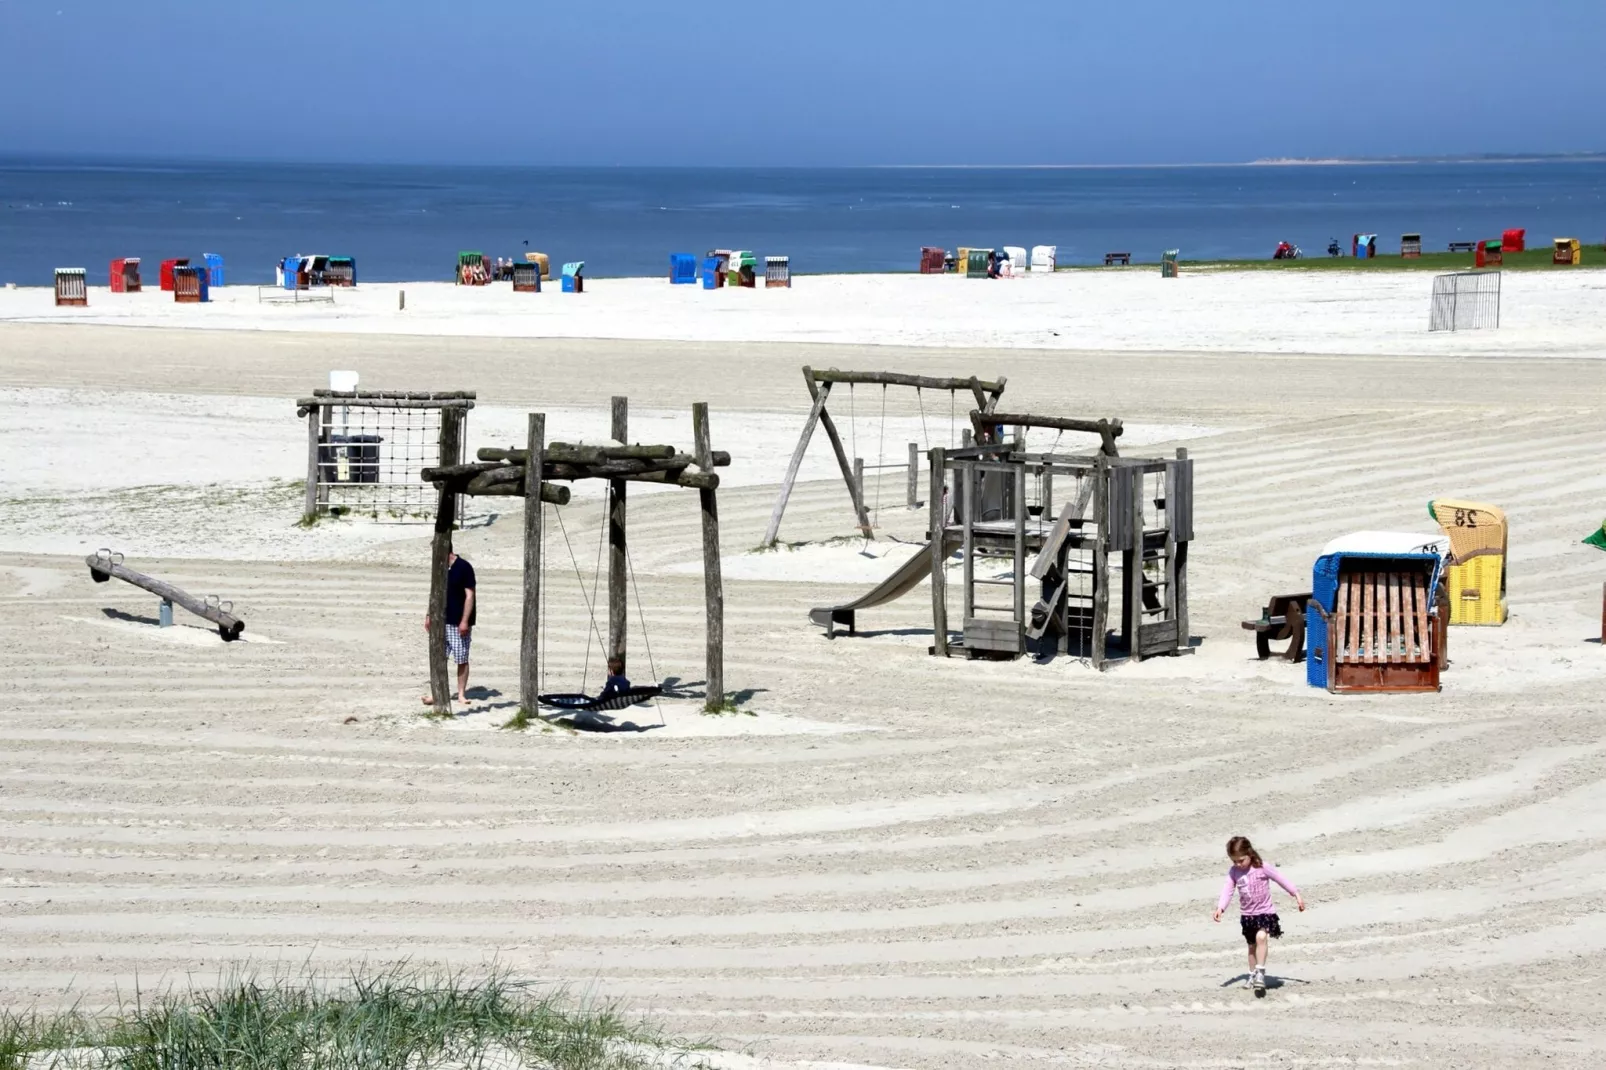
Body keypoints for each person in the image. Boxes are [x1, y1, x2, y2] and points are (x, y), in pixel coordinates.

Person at [1212, 835, 1305, 996]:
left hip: (1265, 912)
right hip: (1248, 916)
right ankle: (1252, 974)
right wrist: (1221, 908)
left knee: (1261, 937)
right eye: (1234, 861)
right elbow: (1227, 890)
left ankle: (1260, 973)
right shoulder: (1234, 872)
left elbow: (1281, 879)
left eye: (1241, 860)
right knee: (1251, 947)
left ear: (1250, 853)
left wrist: (1295, 893)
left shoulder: (1262, 867)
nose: (1238, 864)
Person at [422, 550, 476, 706]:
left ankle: (461, 694)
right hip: (440, 621)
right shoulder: (440, 568)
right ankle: (437, 694)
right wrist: (428, 615)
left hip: (458, 622)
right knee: (439, 658)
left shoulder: (464, 567)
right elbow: (434, 593)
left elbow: (470, 596)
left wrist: (465, 621)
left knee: (461, 658)